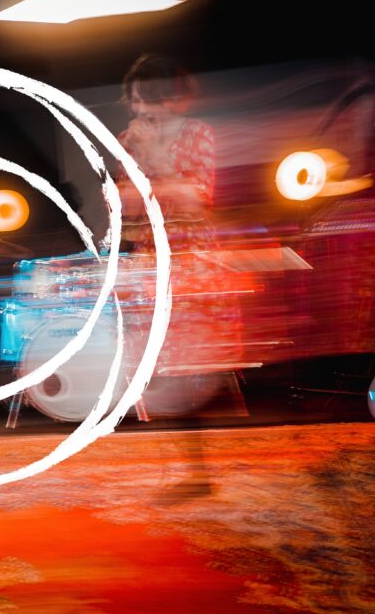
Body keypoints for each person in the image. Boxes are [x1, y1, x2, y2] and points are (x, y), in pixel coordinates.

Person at [115, 54, 246, 501]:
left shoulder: (198, 134)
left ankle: (198, 467)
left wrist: (155, 161)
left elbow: (197, 198)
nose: (138, 110)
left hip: (191, 256)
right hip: (151, 255)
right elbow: (127, 205)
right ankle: (193, 470)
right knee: (158, 367)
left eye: (146, 99)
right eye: (134, 100)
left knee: (190, 365)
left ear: (171, 99)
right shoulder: (127, 141)